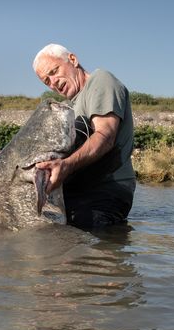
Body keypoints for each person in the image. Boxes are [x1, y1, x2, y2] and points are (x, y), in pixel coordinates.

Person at [32, 43, 135, 229]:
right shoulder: (69, 107)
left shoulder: (101, 81)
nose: (53, 82)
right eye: (47, 81)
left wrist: (67, 165)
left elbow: (105, 135)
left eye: (54, 71)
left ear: (73, 59)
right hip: (76, 196)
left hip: (104, 193)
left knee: (87, 255)